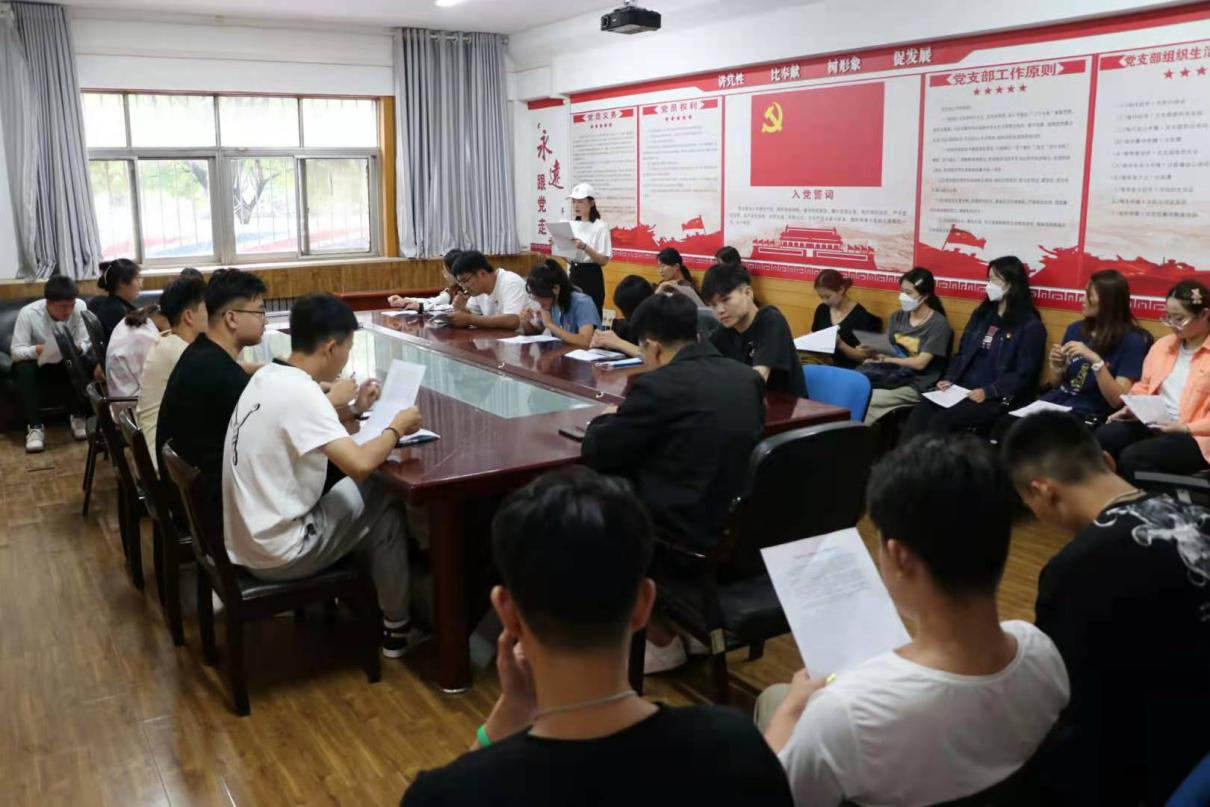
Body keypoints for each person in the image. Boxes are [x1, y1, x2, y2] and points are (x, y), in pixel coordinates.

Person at [401, 468, 793, 807]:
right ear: (644, 604)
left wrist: (504, 719)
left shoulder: (446, 795)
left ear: (507, 613)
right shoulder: (735, 748)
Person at [759, 434, 1069, 806]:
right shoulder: (1041, 651)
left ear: (899, 555)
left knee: (776, 700)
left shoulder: (845, 714)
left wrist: (792, 709)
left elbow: (771, 797)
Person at [1003, 411, 1210, 805]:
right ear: (1109, 461)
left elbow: (1063, 704)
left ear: (1042, 492)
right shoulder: (1200, 516)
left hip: (1154, 765)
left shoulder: (1077, 569)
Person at [224, 294, 423, 657]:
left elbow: (307, 429)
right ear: (331, 347)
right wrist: (396, 427)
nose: (347, 359)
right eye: (347, 349)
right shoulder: (302, 393)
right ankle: (398, 627)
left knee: (371, 503)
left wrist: (354, 409)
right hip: (282, 552)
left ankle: (390, 612)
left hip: (246, 539)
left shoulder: (269, 376)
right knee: (385, 499)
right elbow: (360, 464)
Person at [582, 293, 765, 669]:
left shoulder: (658, 387)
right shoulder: (745, 378)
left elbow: (599, 452)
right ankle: (691, 628)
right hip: (741, 530)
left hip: (685, 536)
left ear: (652, 346)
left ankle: (660, 641)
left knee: (599, 505)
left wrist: (606, 418)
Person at [902, 256, 1046, 438]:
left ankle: (931, 458)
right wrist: (950, 378)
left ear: (1011, 284)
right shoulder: (982, 314)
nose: (989, 285)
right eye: (989, 279)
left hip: (995, 396)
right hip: (963, 388)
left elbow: (1023, 375)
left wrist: (988, 391)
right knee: (923, 409)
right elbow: (962, 353)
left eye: (995, 280)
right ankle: (905, 456)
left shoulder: (1030, 326)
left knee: (941, 421)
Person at [157, 268, 267, 505]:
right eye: (259, 312)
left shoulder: (201, 352)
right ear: (231, 318)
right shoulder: (220, 373)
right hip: (211, 506)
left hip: (186, 496)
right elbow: (275, 427)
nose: (265, 320)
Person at [1096, 279, 1210, 480]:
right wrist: (1131, 407)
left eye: (1179, 319)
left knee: (1134, 458)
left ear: (1204, 314)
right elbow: (1144, 386)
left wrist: (1185, 428)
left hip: (1195, 435)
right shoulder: (1163, 346)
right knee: (1103, 437)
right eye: (1168, 317)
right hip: (1157, 423)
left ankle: (1158, 500)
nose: (1172, 325)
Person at [1012, 269, 1150, 427]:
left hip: (1090, 410)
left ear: (1107, 302)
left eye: (1089, 295)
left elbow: (1116, 401)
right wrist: (1057, 368)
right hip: (1060, 401)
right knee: (1008, 424)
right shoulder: (1075, 329)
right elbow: (1057, 384)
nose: (1082, 299)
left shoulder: (1132, 341)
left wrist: (1096, 362)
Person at [701, 261, 808, 398]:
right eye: (713, 305)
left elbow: (757, 379)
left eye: (726, 300)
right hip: (749, 405)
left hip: (788, 408)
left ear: (748, 293)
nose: (720, 310)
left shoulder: (771, 320)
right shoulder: (725, 330)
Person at [860, 267, 953, 424]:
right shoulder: (897, 317)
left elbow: (920, 363)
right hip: (890, 374)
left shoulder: (939, 325)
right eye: (902, 291)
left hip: (917, 384)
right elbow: (888, 348)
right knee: (853, 389)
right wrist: (874, 353)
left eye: (909, 293)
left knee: (868, 399)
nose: (902, 296)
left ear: (925, 296)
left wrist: (889, 360)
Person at [10, 275, 92, 452]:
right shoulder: (28, 313)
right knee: (23, 367)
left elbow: (86, 341)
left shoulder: (80, 307)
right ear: (48, 303)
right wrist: (39, 350)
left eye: (71, 305)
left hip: (66, 362)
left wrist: (77, 347)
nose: (68, 311)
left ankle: (78, 416)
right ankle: (35, 428)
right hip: (40, 364)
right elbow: (16, 351)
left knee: (80, 359)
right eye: (63, 307)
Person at [136, 272, 208, 471]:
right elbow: (225, 369)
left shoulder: (169, 340)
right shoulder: (179, 352)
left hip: (157, 450)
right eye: (208, 308)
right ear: (189, 316)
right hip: (165, 463)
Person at [519, 259, 601, 348]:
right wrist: (525, 322)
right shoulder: (550, 303)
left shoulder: (582, 302)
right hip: (564, 353)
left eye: (541, 296)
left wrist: (550, 325)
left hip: (589, 355)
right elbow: (536, 332)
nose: (539, 301)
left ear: (556, 289)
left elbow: (585, 341)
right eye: (536, 297)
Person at [808, 269, 880, 369]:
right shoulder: (822, 309)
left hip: (847, 368)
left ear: (841, 289)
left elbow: (864, 357)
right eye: (821, 297)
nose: (824, 301)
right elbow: (813, 335)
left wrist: (841, 344)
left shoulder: (861, 316)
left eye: (828, 297)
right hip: (821, 363)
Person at [447, 251, 530, 330]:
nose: (464, 287)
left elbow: (513, 320)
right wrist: (461, 310)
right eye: (460, 283)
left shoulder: (510, 282)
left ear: (482, 273)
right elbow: (472, 315)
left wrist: (469, 319)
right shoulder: (478, 291)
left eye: (465, 281)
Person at [564, 183, 612, 316]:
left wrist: (585, 247)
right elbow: (569, 259)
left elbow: (603, 261)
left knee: (592, 315)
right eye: (574, 201)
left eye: (580, 201)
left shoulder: (601, 226)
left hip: (592, 276)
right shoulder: (572, 225)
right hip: (574, 273)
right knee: (573, 313)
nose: (576, 205)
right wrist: (558, 245)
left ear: (591, 203)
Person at [105, 305, 166, 398]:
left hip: (123, 396)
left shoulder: (132, 320)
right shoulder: (146, 338)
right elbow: (157, 388)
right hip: (132, 403)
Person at [590, 274, 653, 357]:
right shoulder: (621, 327)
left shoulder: (658, 326)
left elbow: (654, 357)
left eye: (626, 311)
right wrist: (600, 344)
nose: (623, 314)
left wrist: (618, 343)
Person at [388, 248, 463, 310]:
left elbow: (452, 308)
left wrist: (422, 307)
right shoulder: (453, 289)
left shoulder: (467, 289)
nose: (444, 274)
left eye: (445, 271)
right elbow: (434, 301)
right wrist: (405, 301)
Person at [89, 258, 143, 340]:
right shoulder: (114, 311)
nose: (140, 285)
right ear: (121, 282)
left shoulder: (114, 305)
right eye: (137, 279)